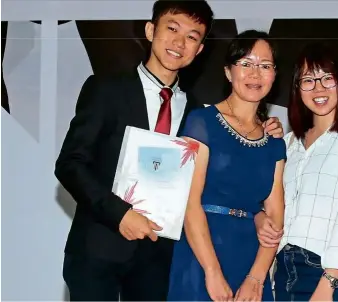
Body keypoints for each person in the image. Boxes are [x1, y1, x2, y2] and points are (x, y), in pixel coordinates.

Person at [54, 1, 284, 300]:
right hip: (99, 249)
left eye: (192, 36)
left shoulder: (196, 115)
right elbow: (71, 164)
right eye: (172, 29)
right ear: (151, 30)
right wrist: (120, 214)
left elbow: (211, 187)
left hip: (159, 260)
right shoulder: (106, 89)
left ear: (200, 49)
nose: (180, 42)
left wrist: (254, 213)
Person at [166, 29, 286, 302]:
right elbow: (189, 203)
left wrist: (256, 278)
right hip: (201, 255)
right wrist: (211, 271)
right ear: (228, 72)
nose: (255, 74)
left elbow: (275, 218)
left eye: (265, 66)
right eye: (246, 64)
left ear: (274, 75)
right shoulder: (201, 122)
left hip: (251, 263)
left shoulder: (275, 142)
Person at [272, 42, 338, 301]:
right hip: (285, 268)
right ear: (297, 88)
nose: (318, 88)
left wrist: (328, 282)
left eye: (327, 78)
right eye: (308, 80)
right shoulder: (289, 143)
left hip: (330, 271)